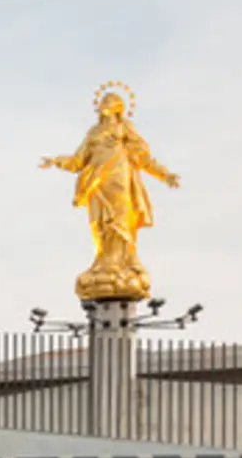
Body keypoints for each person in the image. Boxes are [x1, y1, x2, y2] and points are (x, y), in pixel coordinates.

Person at [41, 88, 179, 301]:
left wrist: (164, 174)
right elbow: (78, 160)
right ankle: (105, 260)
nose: (103, 103)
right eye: (103, 100)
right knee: (100, 223)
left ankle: (119, 261)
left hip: (119, 179)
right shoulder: (93, 132)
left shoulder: (124, 127)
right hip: (97, 182)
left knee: (120, 221)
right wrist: (56, 161)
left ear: (118, 107)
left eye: (109, 100)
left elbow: (143, 158)